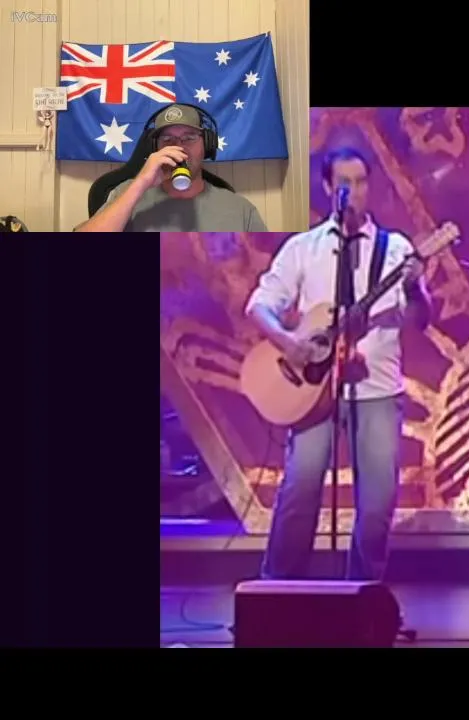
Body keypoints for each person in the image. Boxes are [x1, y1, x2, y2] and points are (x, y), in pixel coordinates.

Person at [244, 146, 432, 580]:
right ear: (329, 188)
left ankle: (363, 595)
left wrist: (415, 288)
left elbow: (421, 319)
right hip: (315, 392)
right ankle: (278, 591)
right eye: (344, 183)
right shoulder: (303, 248)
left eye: (361, 182)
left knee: (377, 504)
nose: (354, 191)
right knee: (300, 491)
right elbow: (260, 305)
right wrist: (289, 342)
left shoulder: (396, 249)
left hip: (377, 390)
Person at [76, 103, 268, 232]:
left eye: (189, 138)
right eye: (167, 139)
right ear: (155, 148)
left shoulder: (240, 210)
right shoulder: (125, 194)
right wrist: (141, 182)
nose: (178, 147)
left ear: (207, 146)